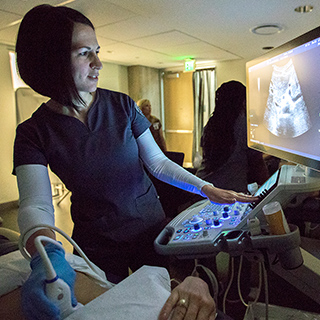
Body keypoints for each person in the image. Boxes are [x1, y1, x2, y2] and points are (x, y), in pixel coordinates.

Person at [13, 5, 257, 320]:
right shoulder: (33, 133)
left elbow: (157, 163)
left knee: (166, 304)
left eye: (97, 51)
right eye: (85, 53)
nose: (98, 63)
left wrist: (206, 188)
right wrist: (45, 254)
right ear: (51, 61)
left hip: (149, 228)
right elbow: (37, 205)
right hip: (97, 243)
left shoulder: (123, 106)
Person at [196, 81, 269, 193]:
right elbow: (257, 163)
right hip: (227, 193)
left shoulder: (212, 124)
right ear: (243, 101)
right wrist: (268, 189)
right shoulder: (245, 125)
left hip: (203, 187)